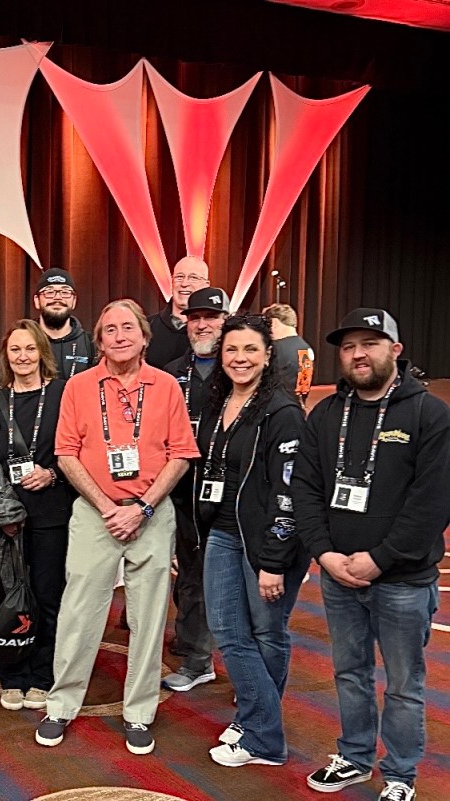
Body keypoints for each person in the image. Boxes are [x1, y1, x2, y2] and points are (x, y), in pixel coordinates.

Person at [292, 308, 449, 801]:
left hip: (402, 579)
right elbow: (305, 489)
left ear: (395, 350)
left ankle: (400, 774)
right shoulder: (326, 415)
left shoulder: (429, 414)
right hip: (338, 574)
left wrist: (380, 558)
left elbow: (432, 502)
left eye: (370, 343)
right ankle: (355, 757)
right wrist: (324, 554)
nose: (358, 354)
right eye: (349, 346)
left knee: (403, 684)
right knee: (349, 673)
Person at [34, 299, 199, 755]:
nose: (120, 336)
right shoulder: (78, 387)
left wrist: (141, 507)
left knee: (149, 617)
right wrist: (108, 506)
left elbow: (181, 454)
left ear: (145, 337)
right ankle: (61, 705)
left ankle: (139, 711)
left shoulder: (166, 386)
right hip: (95, 513)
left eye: (128, 328)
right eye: (110, 329)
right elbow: (66, 454)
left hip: (151, 513)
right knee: (79, 612)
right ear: (99, 341)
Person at [194, 313, 310, 768]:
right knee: (228, 630)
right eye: (231, 349)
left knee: (267, 633)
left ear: (267, 356)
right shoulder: (217, 401)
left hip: (267, 542)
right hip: (223, 532)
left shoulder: (283, 412)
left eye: (250, 350)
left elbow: (290, 493)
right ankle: (257, 721)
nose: (239, 358)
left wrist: (274, 561)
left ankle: (263, 737)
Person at [0, 320, 72, 712]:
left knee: (48, 596)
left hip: (52, 513)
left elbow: (77, 449)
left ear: (42, 352)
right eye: (15, 349)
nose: (23, 356)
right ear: (5, 355)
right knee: (11, 594)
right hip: (9, 518)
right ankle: (13, 674)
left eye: (30, 348)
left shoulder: (62, 393)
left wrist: (52, 474)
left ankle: (43, 675)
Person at [160, 287, 230, 692]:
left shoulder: (239, 366)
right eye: (195, 317)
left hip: (229, 493)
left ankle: (215, 658)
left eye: (211, 317)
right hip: (182, 490)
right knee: (188, 574)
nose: (202, 325)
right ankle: (194, 651)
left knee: (226, 580)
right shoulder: (171, 372)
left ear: (225, 320)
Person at [145, 256, 210, 368]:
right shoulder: (146, 326)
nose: (184, 283)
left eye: (193, 278)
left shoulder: (214, 330)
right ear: (172, 282)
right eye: (179, 277)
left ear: (206, 285)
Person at [33, 268, 96, 379]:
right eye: (49, 292)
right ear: (37, 300)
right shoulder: (21, 342)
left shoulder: (91, 345)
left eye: (65, 292)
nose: (57, 297)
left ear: (74, 301)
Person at [263, 303, 315, 407]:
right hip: (297, 407)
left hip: (275, 409)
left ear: (275, 323)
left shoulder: (274, 349)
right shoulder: (306, 347)